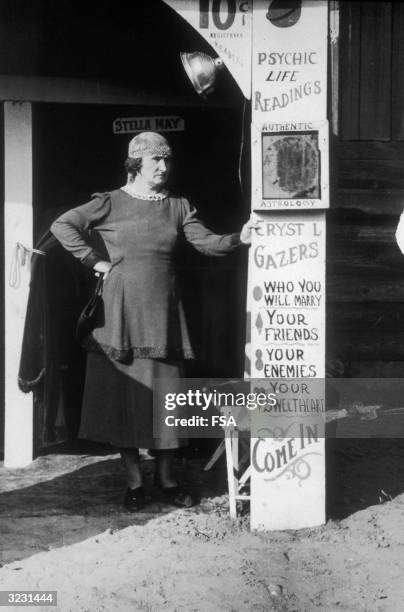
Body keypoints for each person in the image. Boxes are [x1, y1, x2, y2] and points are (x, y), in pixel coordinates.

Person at [51, 131, 254, 511]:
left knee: (167, 400)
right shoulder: (109, 203)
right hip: (120, 316)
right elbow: (63, 225)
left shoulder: (178, 205)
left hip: (164, 318)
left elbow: (205, 242)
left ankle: (167, 479)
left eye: (167, 160)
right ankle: (133, 483)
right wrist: (96, 261)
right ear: (135, 164)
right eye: (155, 160)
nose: (163, 167)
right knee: (122, 400)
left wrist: (237, 238)